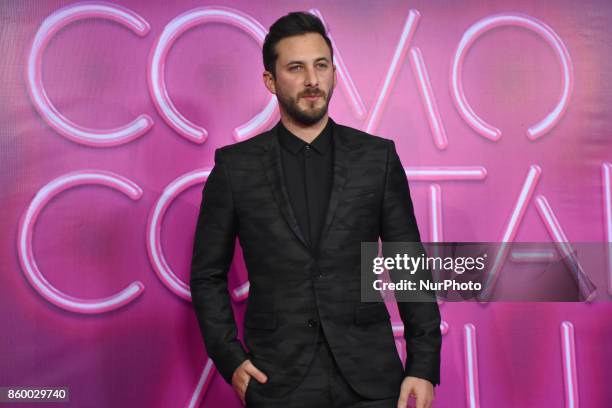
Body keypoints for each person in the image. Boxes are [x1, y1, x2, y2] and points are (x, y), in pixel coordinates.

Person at [190, 11, 441, 408]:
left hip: (371, 377)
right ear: (270, 81)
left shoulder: (377, 159)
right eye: (296, 67)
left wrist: (423, 365)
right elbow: (207, 275)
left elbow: (407, 263)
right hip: (276, 378)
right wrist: (230, 358)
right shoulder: (236, 167)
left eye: (321, 65)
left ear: (334, 73)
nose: (312, 80)